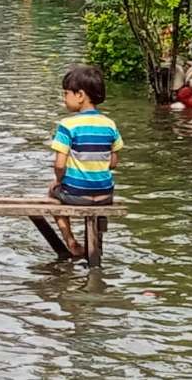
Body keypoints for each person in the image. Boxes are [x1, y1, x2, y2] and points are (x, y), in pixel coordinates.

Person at [48, 65, 123, 258]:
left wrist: (58, 181)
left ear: (80, 95)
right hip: (105, 195)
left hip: (77, 195)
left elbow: (59, 165)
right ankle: (96, 247)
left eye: (66, 93)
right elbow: (113, 163)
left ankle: (70, 241)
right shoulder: (110, 124)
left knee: (52, 193)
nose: (64, 98)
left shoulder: (67, 125)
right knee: (98, 189)